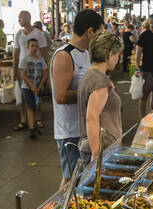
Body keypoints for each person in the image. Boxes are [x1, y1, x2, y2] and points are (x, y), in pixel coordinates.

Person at [51, 9, 104, 187]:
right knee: (71, 179)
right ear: (90, 32)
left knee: (83, 178)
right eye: (99, 33)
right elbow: (60, 96)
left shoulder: (86, 53)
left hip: (84, 127)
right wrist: (92, 93)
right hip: (70, 131)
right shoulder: (64, 56)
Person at [77, 31, 123, 165]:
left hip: (93, 147)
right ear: (109, 55)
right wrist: (96, 153)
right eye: (117, 55)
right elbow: (91, 117)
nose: (118, 59)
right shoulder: (100, 82)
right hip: (103, 150)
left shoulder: (90, 75)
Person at [13, 11, 48, 131]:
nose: (19, 20)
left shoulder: (39, 33)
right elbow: (16, 53)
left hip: (37, 69)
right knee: (23, 95)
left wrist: (45, 71)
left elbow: (44, 52)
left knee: (37, 93)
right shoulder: (18, 34)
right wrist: (14, 69)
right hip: (23, 69)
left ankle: (38, 118)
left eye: (20, 18)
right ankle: (23, 119)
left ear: (27, 17)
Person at [19, 38, 48, 139]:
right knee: (30, 107)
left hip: (38, 88)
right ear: (28, 47)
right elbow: (23, 75)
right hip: (27, 88)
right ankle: (31, 129)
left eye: (36, 46)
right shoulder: (25, 60)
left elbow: (45, 74)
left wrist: (39, 87)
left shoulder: (41, 60)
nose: (35, 48)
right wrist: (31, 86)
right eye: (32, 46)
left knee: (37, 105)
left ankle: (35, 125)